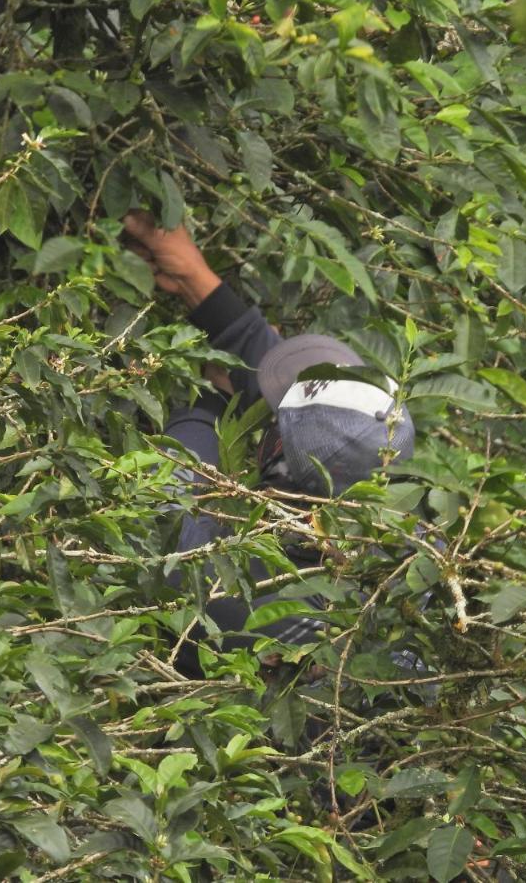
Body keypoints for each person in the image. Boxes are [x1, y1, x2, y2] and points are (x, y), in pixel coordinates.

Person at [121, 210, 417, 664]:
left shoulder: (228, 583)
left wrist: (216, 402)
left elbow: (166, 487)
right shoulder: (412, 557)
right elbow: (314, 409)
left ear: (270, 448)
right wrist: (195, 279)